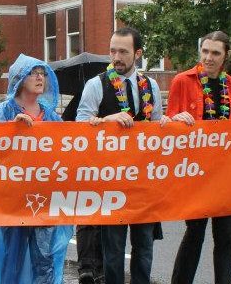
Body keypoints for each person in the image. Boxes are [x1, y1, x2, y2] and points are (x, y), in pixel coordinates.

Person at [76, 27, 169, 284]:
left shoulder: (150, 85)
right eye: (112, 50)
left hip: (143, 180)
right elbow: (80, 126)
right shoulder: (96, 85)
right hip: (111, 179)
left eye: (123, 51)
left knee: (144, 248)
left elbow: (158, 127)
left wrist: (174, 123)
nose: (116, 57)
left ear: (137, 54)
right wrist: (106, 119)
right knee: (113, 250)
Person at [0, 54, 74, 284]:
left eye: (43, 73)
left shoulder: (51, 115)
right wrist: (11, 129)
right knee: (10, 257)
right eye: (34, 73)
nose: (40, 78)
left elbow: (69, 147)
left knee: (44, 257)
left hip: (42, 197)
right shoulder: (4, 112)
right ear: (20, 78)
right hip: (11, 199)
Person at [168, 31, 231, 284]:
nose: (209, 58)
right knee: (195, 232)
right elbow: (166, 125)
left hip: (223, 172)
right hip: (195, 171)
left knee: (226, 236)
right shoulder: (182, 80)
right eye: (205, 51)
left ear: (225, 56)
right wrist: (176, 120)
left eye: (216, 53)